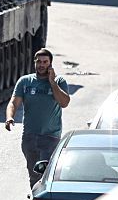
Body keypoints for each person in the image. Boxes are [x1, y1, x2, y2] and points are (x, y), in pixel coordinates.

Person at [5, 48, 70, 187]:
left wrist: (52, 82)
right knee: (33, 174)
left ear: (50, 64)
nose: (41, 65)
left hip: (50, 137)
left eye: (45, 62)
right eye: (39, 62)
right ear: (34, 63)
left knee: (46, 173)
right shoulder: (25, 81)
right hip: (29, 137)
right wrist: (9, 117)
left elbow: (64, 103)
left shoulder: (59, 81)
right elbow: (14, 102)